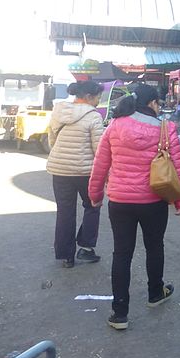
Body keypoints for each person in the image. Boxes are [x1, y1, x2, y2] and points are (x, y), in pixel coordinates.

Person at [88, 84, 180, 331]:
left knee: (121, 254)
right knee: (154, 247)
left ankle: (119, 313)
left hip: (120, 202)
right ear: (153, 103)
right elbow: (177, 167)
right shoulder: (166, 129)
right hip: (153, 202)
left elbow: (100, 163)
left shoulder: (114, 126)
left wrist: (95, 194)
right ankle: (155, 292)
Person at [46, 81, 105, 268]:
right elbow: (99, 149)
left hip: (60, 170)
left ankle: (66, 256)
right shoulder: (94, 117)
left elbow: (52, 137)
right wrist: (106, 173)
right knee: (93, 206)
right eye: (97, 97)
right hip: (84, 171)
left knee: (65, 212)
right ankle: (86, 247)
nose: (98, 101)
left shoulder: (59, 111)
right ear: (88, 97)